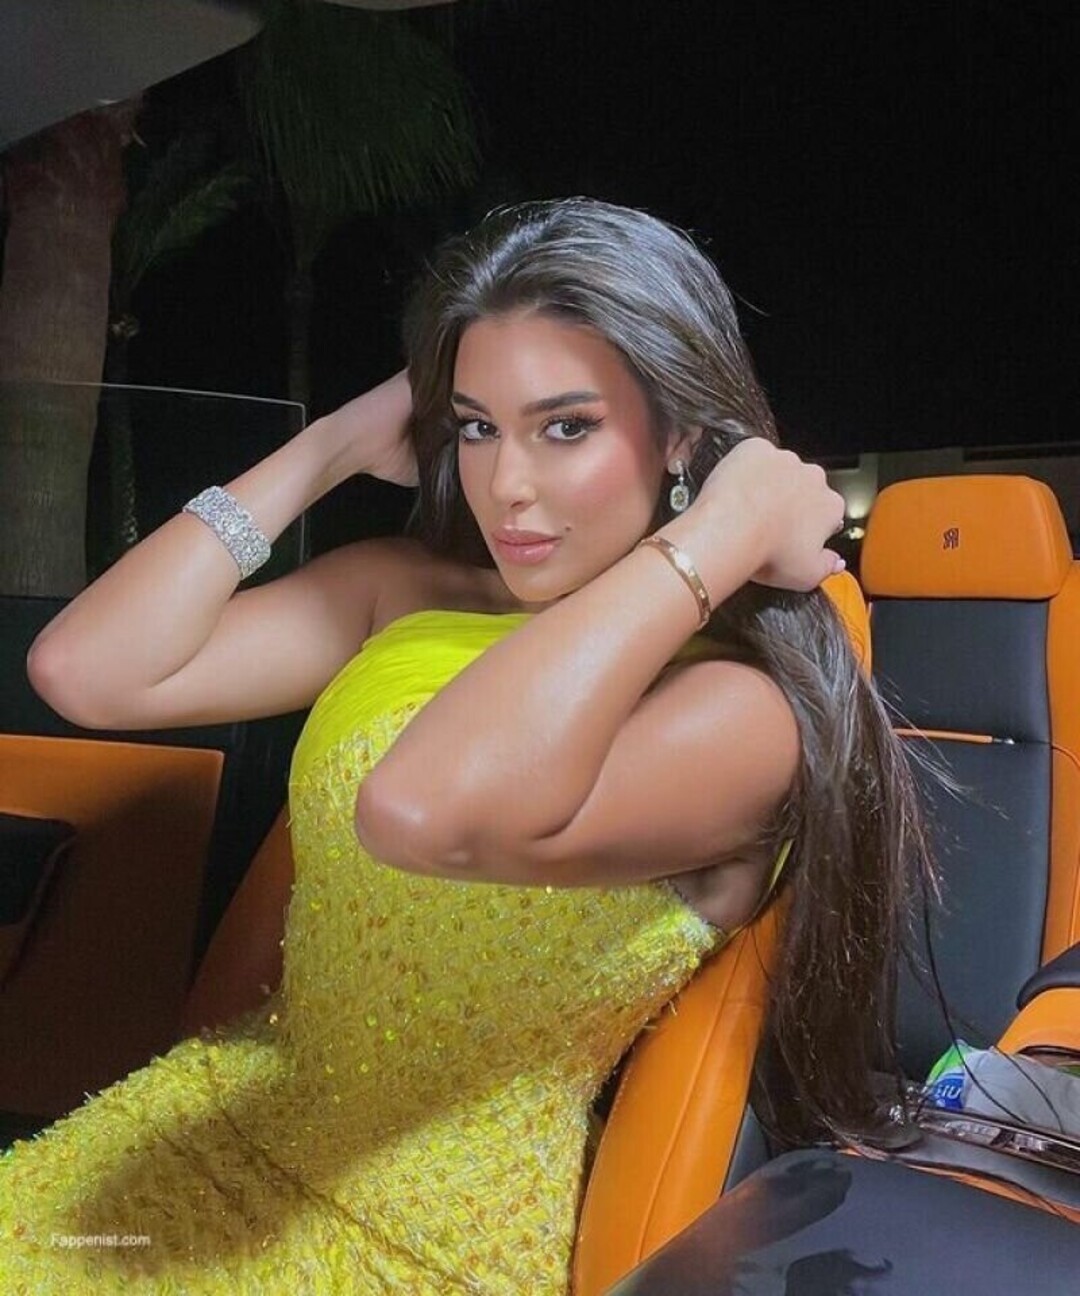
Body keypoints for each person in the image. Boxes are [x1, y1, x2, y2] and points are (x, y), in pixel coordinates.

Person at [0, 198, 934, 1293]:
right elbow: (87, 670)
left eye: (566, 427)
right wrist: (329, 446)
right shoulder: (407, 593)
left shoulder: (737, 708)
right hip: (213, 1122)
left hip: (413, 1231)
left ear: (682, 435)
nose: (506, 486)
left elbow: (422, 809)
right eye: (477, 426)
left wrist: (718, 532)